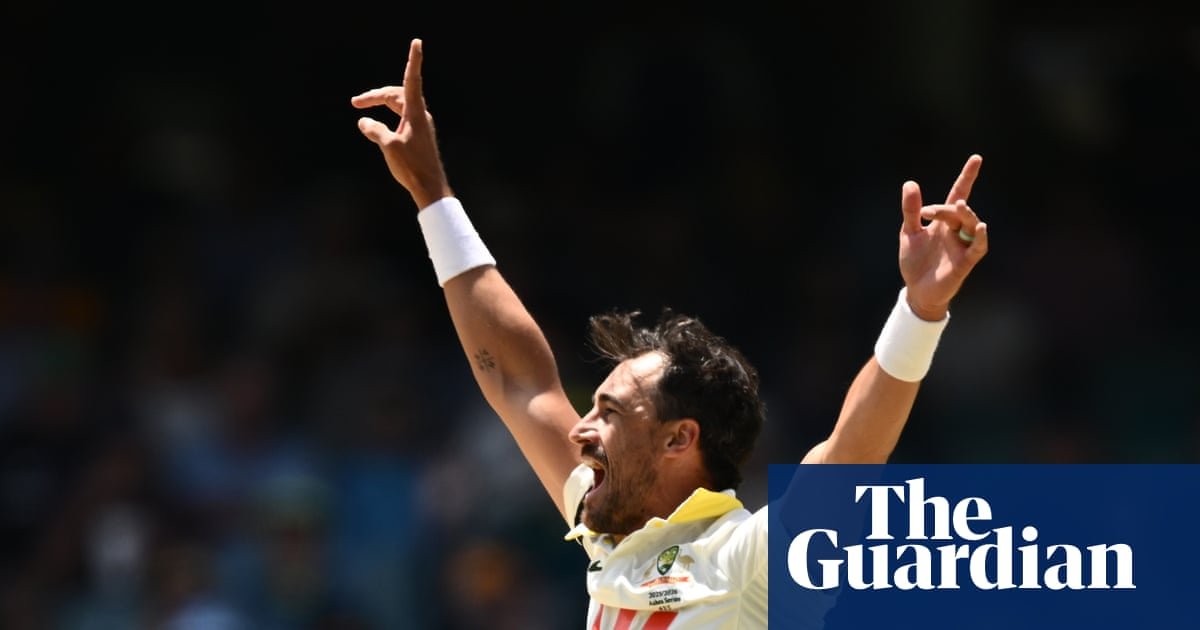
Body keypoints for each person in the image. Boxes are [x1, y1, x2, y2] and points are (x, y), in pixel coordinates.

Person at [351, 38, 990, 629]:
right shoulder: (609, 526)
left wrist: (920, 308)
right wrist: (432, 195)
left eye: (609, 412)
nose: (579, 429)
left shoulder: (748, 557)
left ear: (679, 438)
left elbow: (850, 456)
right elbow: (521, 381)